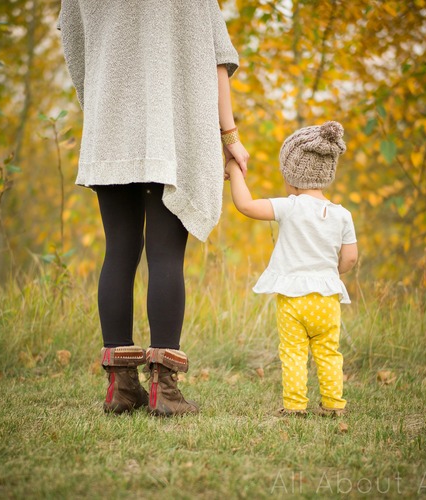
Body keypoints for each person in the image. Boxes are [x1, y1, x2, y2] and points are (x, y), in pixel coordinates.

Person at [57, 0, 249, 416]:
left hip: (111, 130)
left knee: (119, 251)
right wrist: (230, 136)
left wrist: (104, 109)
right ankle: (165, 390)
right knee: (165, 255)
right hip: (171, 132)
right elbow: (217, 60)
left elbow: (74, 44)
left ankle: (121, 387)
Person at [225, 121, 358, 417]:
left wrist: (234, 169)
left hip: (292, 301)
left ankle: (295, 405)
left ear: (293, 176)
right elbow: (349, 259)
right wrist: (330, 273)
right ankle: (334, 404)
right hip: (327, 300)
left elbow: (245, 205)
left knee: (294, 353)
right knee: (328, 353)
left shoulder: (290, 206)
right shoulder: (342, 215)